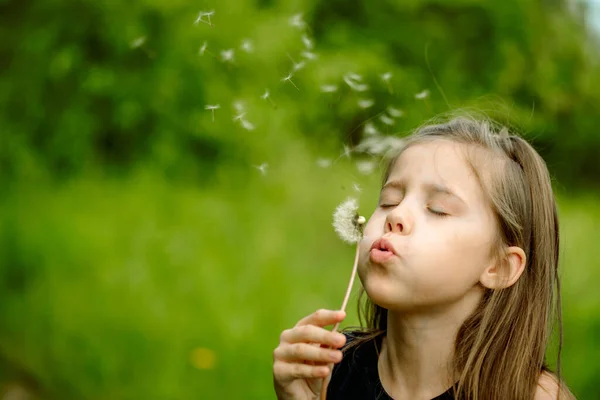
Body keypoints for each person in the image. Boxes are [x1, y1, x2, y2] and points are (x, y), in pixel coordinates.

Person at [272, 116, 576, 399]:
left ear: (498, 266)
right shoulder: (331, 370)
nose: (397, 215)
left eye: (437, 209)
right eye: (389, 200)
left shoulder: (528, 395)